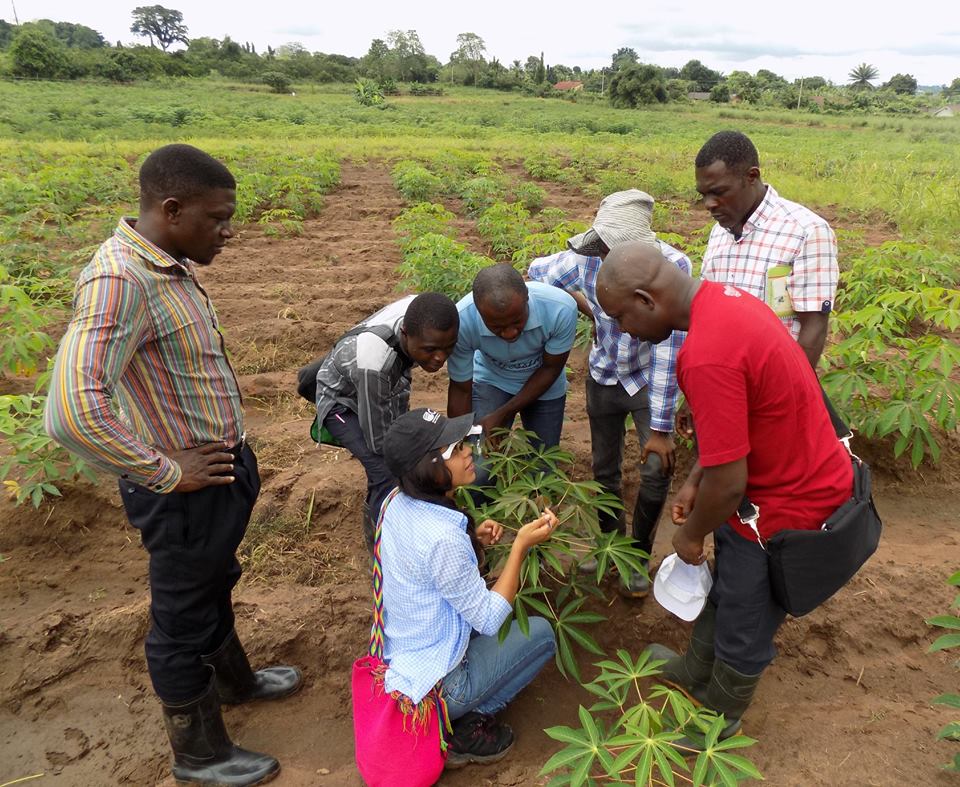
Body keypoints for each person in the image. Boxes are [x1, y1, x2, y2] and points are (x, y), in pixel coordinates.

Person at [44, 144, 300, 786]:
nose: (227, 230)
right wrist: (163, 470)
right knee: (181, 615)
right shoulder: (119, 279)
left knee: (215, 580)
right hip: (182, 491)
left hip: (214, 474)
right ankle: (199, 755)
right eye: (217, 218)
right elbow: (71, 408)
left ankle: (236, 684)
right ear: (172, 208)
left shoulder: (167, 266)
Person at [595, 241, 853, 748]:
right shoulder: (727, 299)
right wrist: (695, 480)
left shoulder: (707, 353)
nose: (623, 330)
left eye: (621, 317)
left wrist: (689, 537)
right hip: (776, 474)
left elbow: (730, 485)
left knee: (746, 611)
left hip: (787, 502)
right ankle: (695, 670)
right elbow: (738, 428)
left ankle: (720, 715)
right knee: (728, 588)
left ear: (647, 300)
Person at [527, 190, 691, 597]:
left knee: (656, 467)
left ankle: (635, 556)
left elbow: (670, 353)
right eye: (601, 245)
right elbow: (536, 273)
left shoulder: (674, 266)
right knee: (604, 469)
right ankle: (608, 547)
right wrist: (586, 306)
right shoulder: (582, 259)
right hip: (603, 374)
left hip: (650, 379)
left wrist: (660, 428)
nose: (603, 254)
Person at [379, 407, 558, 768]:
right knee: (541, 634)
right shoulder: (444, 538)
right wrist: (520, 547)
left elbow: (424, 563)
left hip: (404, 652)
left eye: (463, 443)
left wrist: (471, 540)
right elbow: (490, 619)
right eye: (455, 449)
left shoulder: (395, 502)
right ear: (427, 467)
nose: (467, 453)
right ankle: (462, 726)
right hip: (441, 682)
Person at [303, 292, 459, 547]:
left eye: (448, 347)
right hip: (341, 402)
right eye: (431, 350)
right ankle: (382, 539)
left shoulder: (426, 312)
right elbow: (380, 442)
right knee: (386, 469)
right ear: (406, 334)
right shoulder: (375, 365)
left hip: (381, 386)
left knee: (404, 456)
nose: (441, 357)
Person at [696, 130, 838, 369]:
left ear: (751, 176)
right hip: (725, 378)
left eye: (719, 192)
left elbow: (813, 327)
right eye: (704, 195)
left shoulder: (806, 231)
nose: (709, 204)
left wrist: (790, 390)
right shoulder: (719, 232)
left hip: (773, 381)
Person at [446, 264, 577, 450]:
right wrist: (459, 443)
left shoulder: (560, 309)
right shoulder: (461, 322)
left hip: (545, 382)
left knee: (542, 462)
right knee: (479, 466)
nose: (509, 334)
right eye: (496, 327)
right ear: (479, 312)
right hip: (492, 379)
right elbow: (461, 389)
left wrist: (504, 413)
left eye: (517, 322)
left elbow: (551, 368)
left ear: (527, 298)